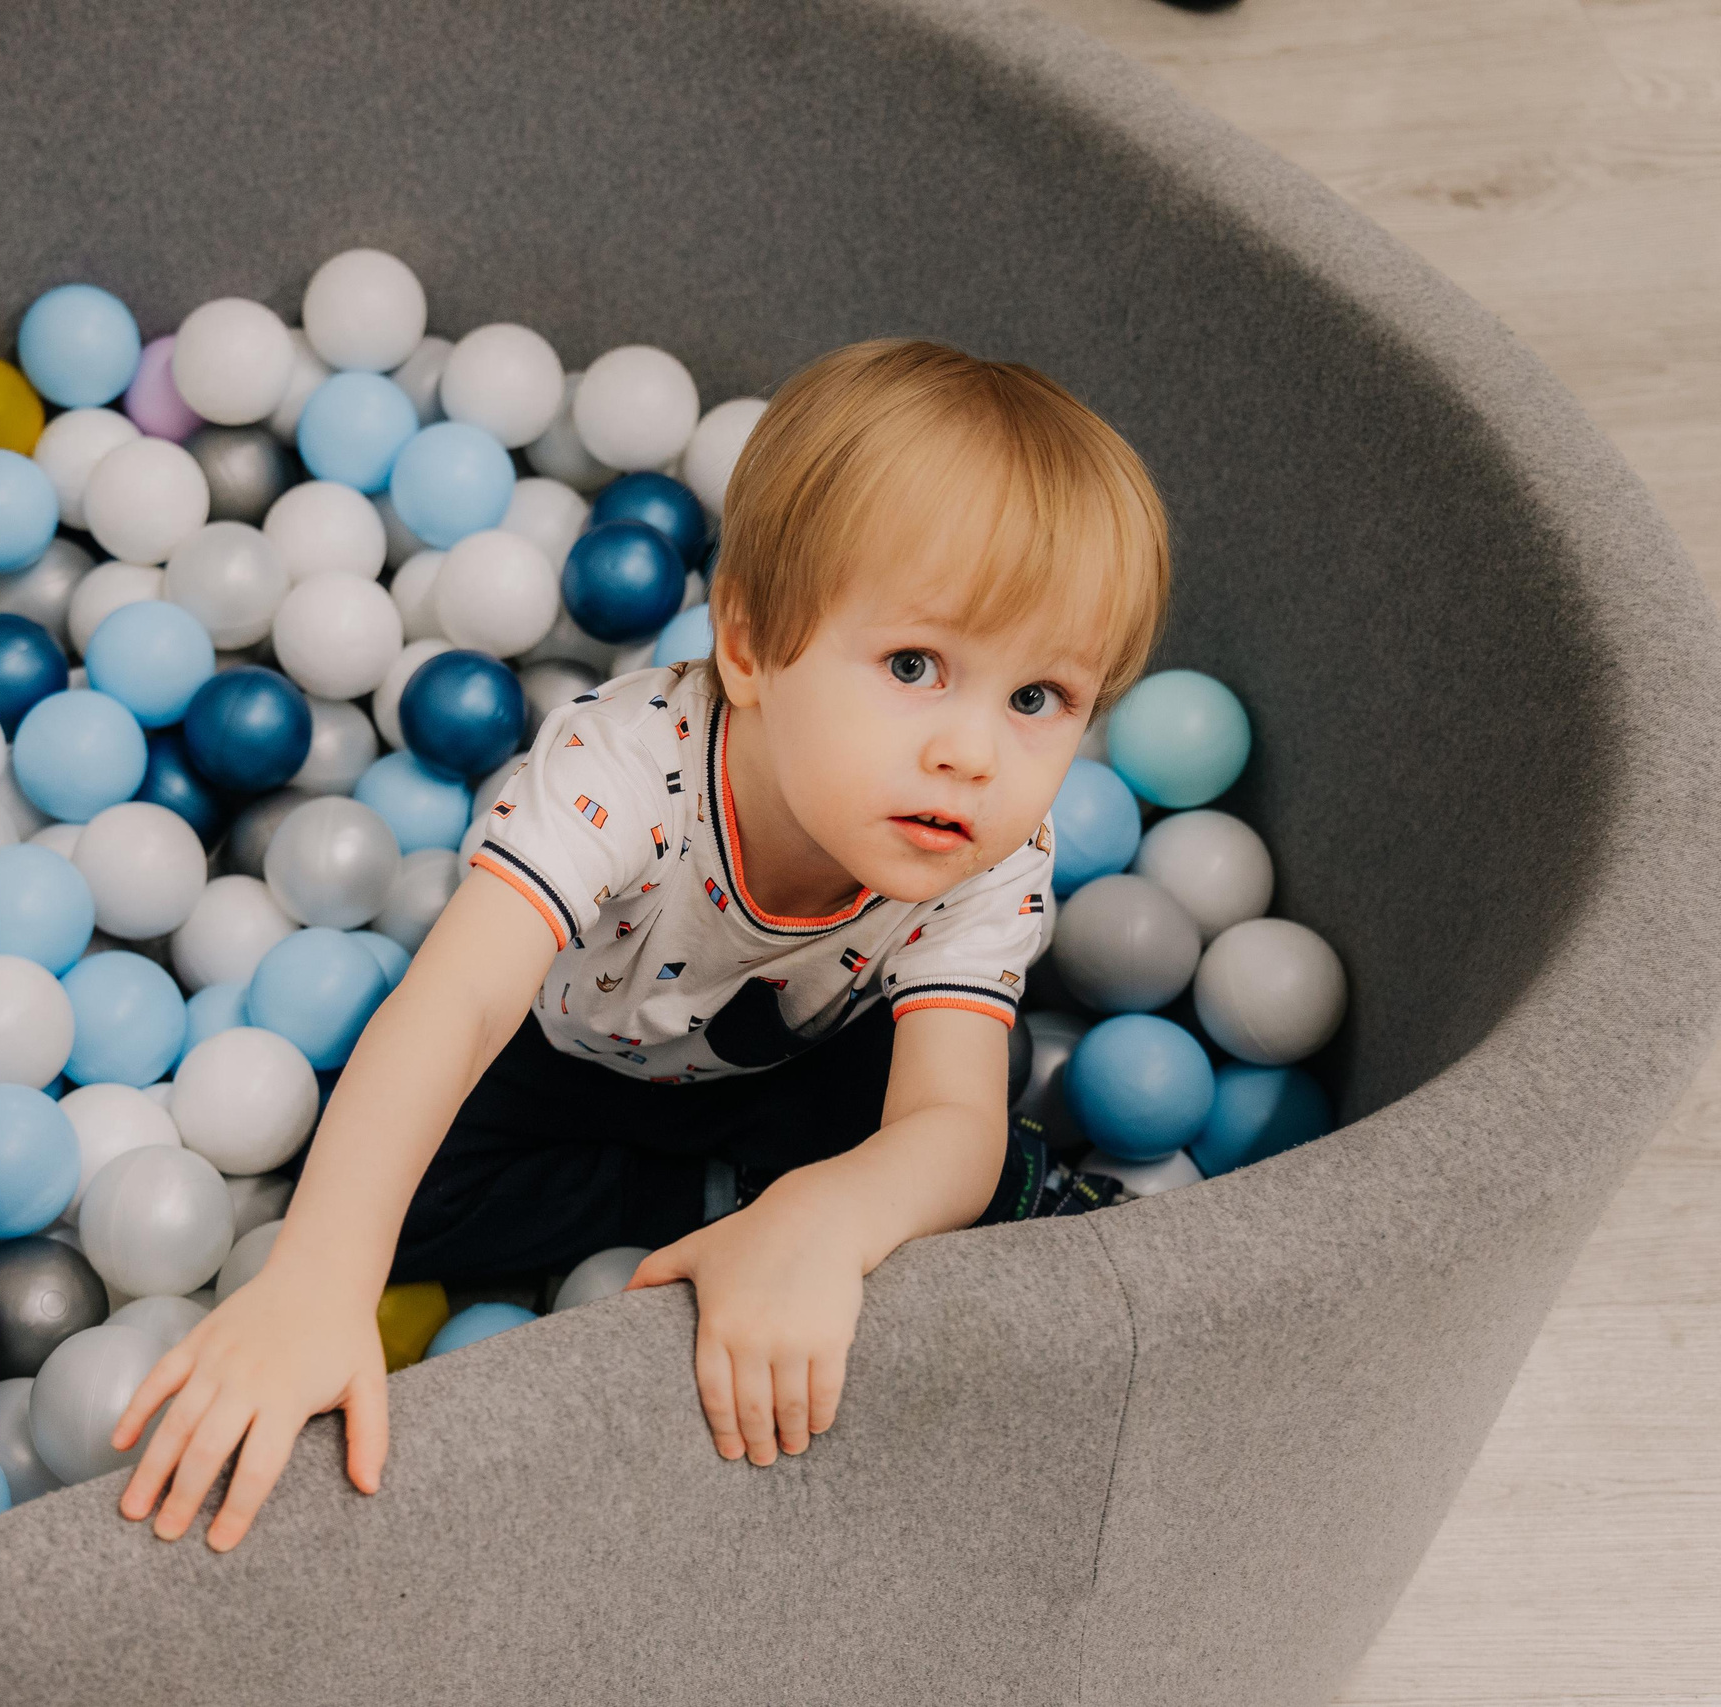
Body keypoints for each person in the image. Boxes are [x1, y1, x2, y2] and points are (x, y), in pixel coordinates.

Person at [113, 337, 1171, 1551]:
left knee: (952, 1146)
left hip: (790, 1056)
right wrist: (317, 1284)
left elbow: (948, 1121)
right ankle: (706, 1197)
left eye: (1037, 699)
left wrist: (828, 1216)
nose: (974, 754)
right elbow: (452, 1009)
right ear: (753, 648)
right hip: (565, 1045)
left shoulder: (986, 850)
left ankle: (774, 1195)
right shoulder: (627, 771)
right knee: (389, 1200)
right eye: (915, 666)